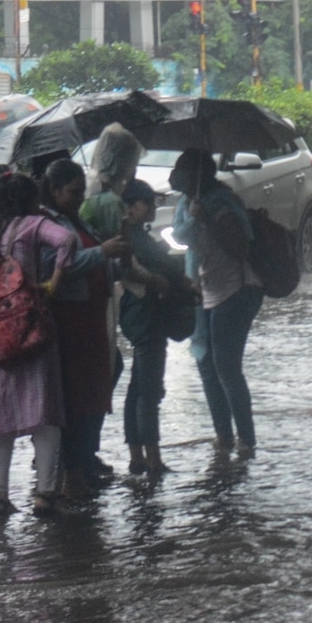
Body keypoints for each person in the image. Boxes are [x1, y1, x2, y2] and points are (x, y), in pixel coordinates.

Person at [0, 174, 73, 516]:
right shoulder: (32, 226)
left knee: (0, 421)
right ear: (28, 200)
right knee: (46, 415)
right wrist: (52, 283)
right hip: (31, 335)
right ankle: (45, 495)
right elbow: (66, 241)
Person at [40, 160, 129, 497]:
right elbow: (57, 269)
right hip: (70, 320)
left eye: (81, 192)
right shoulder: (48, 224)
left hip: (92, 318)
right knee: (77, 398)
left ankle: (83, 463)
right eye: (73, 193)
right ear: (55, 190)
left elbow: (95, 262)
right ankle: (73, 472)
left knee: (96, 386)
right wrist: (101, 254)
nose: (79, 198)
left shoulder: (75, 221)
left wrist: (116, 260)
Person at [169, 148, 264, 458]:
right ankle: (224, 436)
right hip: (203, 290)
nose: (172, 177)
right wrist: (194, 218)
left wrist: (209, 218)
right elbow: (182, 238)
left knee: (226, 368)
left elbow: (241, 245)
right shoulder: (186, 205)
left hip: (236, 291)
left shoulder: (222, 203)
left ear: (196, 175)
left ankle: (246, 441)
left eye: (180, 171)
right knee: (206, 366)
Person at [118, 180, 190, 476]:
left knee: (138, 389)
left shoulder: (135, 236)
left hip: (141, 318)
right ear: (131, 206)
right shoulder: (133, 239)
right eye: (146, 203)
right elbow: (157, 267)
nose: (151, 208)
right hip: (148, 318)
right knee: (149, 391)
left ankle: (138, 457)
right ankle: (153, 459)